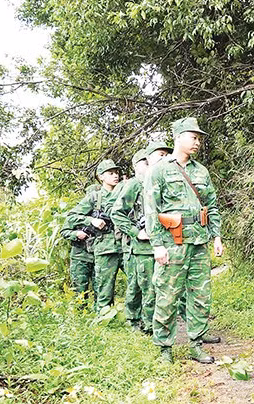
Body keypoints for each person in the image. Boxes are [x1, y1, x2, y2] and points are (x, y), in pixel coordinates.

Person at [144, 118, 222, 364]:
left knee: (201, 295)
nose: (197, 142)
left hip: (198, 242)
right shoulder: (159, 170)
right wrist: (157, 244)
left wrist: (216, 235)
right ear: (178, 137)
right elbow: (150, 209)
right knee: (168, 294)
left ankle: (196, 344)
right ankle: (164, 348)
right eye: (193, 137)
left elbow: (211, 205)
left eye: (199, 138)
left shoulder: (201, 171)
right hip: (171, 243)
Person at [111, 142, 170, 334]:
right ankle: (146, 326)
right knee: (146, 288)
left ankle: (158, 324)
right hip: (143, 248)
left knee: (164, 288)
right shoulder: (135, 184)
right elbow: (117, 213)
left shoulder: (164, 180)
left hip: (166, 243)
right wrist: (137, 232)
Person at [66, 159, 125, 312]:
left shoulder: (125, 193)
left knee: (138, 282)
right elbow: (72, 217)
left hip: (126, 246)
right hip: (105, 247)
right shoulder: (94, 197)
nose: (115, 176)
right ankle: (103, 321)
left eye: (117, 173)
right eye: (110, 173)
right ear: (101, 177)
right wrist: (92, 220)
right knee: (103, 290)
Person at [60, 183, 101, 302]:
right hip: (80, 257)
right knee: (79, 292)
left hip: (97, 257)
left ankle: (99, 316)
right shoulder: (78, 214)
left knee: (100, 289)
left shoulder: (101, 214)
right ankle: (80, 316)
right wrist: (76, 234)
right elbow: (64, 231)